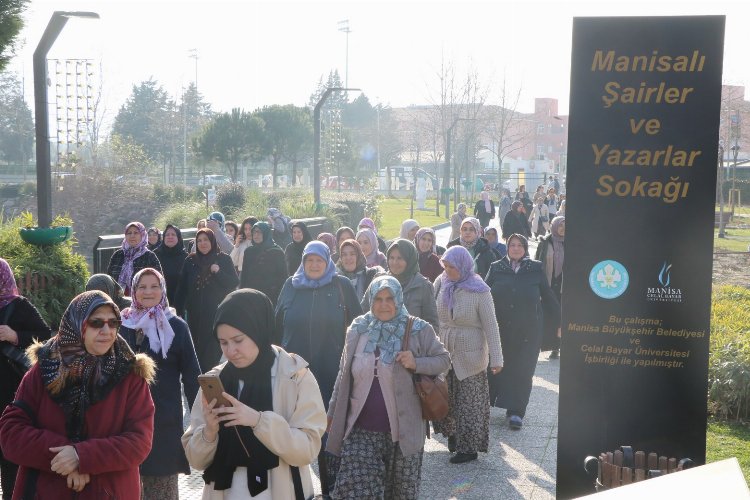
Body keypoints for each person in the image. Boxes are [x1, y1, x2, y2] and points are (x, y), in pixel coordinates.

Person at [0, 290, 155, 499]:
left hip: (109, 492)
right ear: (77, 322)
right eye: (96, 322)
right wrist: (65, 457)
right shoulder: (46, 367)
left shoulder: (129, 374)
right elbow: (11, 433)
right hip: (45, 491)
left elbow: (139, 441)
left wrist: (83, 457)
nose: (107, 330)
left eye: (113, 322)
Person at [182, 289, 327, 499]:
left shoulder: (295, 376)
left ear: (258, 329)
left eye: (238, 340)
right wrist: (209, 433)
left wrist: (259, 421)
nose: (231, 351)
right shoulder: (216, 379)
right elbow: (196, 460)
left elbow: (308, 449)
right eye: (223, 343)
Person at [327, 276, 450, 500]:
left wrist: (416, 363)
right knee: (355, 491)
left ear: (399, 299)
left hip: (403, 433)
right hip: (361, 430)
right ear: (370, 300)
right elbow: (343, 376)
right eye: (378, 299)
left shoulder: (419, 329)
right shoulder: (358, 329)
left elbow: (443, 360)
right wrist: (331, 414)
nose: (383, 305)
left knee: (401, 494)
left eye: (389, 299)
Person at [275, 241, 363, 495]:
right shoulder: (290, 286)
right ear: (302, 262)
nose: (314, 265)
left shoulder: (340, 285)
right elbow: (275, 324)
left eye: (319, 260)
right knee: (292, 430)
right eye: (309, 260)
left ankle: (331, 487)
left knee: (329, 433)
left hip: (331, 372)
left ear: (327, 262)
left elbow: (359, 327)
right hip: (293, 373)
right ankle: (294, 488)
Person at [120, 269, 200, 499]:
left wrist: (202, 416)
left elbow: (192, 373)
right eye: (142, 287)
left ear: (163, 289)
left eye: (154, 286)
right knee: (127, 484)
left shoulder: (176, 326)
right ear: (133, 291)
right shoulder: (122, 324)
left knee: (161, 486)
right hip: (125, 419)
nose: (148, 292)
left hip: (163, 418)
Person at [432, 246, 502, 464]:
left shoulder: (480, 290)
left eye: (452, 267)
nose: (448, 271)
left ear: (463, 266)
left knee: (469, 404)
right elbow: (434, 317)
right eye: (445, 266)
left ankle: (469, 447)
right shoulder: (441, 282)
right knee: (448, 399)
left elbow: (491, 325)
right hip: (445, 352)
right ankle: (453, 437)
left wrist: (497, 358)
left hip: (471, 356)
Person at [485, 234, 560, 430]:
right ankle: (488, 405)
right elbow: (483, 294)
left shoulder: (535, 268)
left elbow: (548, 295)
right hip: (500, 331)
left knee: (523, 371)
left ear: (525, 248)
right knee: (496, 368)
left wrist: (561, 321)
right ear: (507, 247)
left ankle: (516, 411)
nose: (516, 248)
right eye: (512, 245)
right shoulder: (496, 267)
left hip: (528, 332)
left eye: (520, 245)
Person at [0, 259, 52, 498]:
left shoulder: (19, 305)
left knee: (10, 459)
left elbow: (44, 335)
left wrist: (15, 336)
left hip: (11, 393)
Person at [174, 228, 239, 372]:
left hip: (216, 315)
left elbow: (233, 283)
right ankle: (198, 387)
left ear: (213, 241)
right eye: (199, 241)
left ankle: (211, 385)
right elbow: (182, 289)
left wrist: (218, 272)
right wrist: (177, 312)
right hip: (194, 317)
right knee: (195, 353)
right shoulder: (190, 261)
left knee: (211, 355)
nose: (203, 243)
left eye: (206, 240)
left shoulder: (223, 259)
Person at [362, 239, 439, 332]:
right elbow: (363, 312)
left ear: (410, 259)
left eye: (400, 258)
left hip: (411, 344)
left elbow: (432, 325)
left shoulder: (423, 286)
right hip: (379, 343)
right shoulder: (379, 281)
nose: (395, 262)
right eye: (391, 258)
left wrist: (418, 341)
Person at [535, 216, 565, 360]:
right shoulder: (545, 242)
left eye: (565, 225)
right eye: (560, 225)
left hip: (563, 286)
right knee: (546, 316)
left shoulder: (571, 243)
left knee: (560, 317)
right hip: (547, 284)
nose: (563, 228)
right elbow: (537, 262)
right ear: (553, 226)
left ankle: (556, 347)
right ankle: (543, 344)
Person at [107, 222, 162, 296]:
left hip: (142, 300)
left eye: (136, 233)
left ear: (142, 235)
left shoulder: (149, 256)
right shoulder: (118, 255)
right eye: (129, 233)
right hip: (117, 299)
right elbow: (109, 279)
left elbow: (159, 282)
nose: (132, 236)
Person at [240, 222, 288, 306]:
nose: (256, 235)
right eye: (254, 232)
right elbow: (244, 275)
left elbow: (283, 277)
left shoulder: (276, 252)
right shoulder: (249, 252)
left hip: (271, 296)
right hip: (252, 295)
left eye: (259, 232)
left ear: (266, 233)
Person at [153, 224, 188, 306]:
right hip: (159, 302)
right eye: (167, 235)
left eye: (173, 234)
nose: (170, 237)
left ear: (178, 238)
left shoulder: (186, 257)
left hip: (181, 302)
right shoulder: (155, 255)